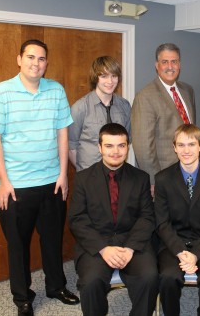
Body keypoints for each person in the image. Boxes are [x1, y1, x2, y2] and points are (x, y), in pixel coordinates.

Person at [0, 39, 79, 316]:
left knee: (52, 240)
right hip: (15, 187)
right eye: (31, 57)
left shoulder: (56, 90)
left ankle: (56, 286)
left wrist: (63, 174)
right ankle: (22, 297)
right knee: (18, 246)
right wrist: (4, 180)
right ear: (19, 59)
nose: (36, 63)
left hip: (51, 183)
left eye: (42, 59)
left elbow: (63, 133)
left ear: (47, 63)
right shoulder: (2, 92)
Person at [69, 123, 158, 316]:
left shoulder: (141, 178)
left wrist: (130, 248)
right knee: (91, 282)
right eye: (109, 146)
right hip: (97, 243)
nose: (115, 152)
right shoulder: (83, 179)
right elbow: (77, 219)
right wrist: (103, 248)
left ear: (128, 147)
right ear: (100, 147)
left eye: (121, 145)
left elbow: (147, 217)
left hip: (131, 241)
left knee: (150, 277)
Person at [154, 124, 200, 316]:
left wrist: (195, 254)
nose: (186, 150)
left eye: (191, 144)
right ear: (174, 147)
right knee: (168, 277)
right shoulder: (162, 179)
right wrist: (180, 252)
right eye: (181, 145)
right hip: (173, 243)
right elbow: (162, 223)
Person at [131, 43, 196, 196]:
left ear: (179, 64)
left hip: (190, 173)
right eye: (165, 62)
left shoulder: (188, 91)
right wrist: (154, 180)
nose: (170, 66)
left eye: (174, 61)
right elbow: (143, 147)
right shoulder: (145, 96)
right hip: (164, 177)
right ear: (157, 65)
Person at [69, 56, 131, 171]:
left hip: (118, 174)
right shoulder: (79, 108)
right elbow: (71, 147)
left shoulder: (125, 106)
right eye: (104, 76)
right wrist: (85, 173)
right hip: (89, 175)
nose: (110, 81)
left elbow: (126, 141)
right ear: (95, 78)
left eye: (114, 76)